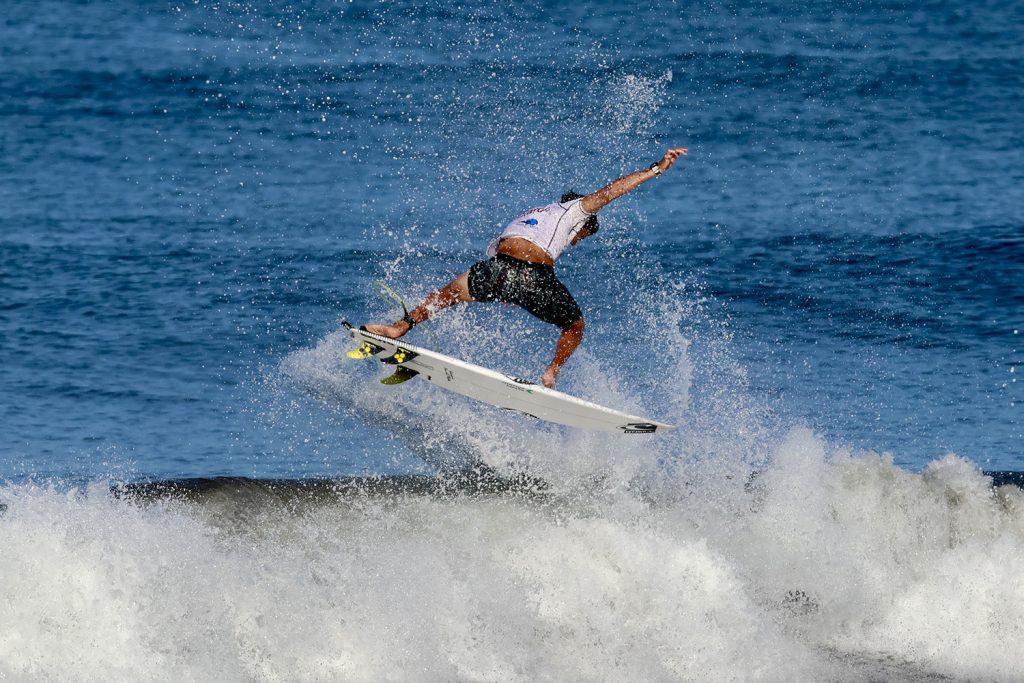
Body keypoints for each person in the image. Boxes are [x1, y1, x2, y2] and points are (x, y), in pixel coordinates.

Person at [366, 147, 688, 389]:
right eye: (582, 236)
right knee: (575, 326)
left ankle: (400, 327)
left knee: (448, 294)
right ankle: (551, 373)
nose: (576, 241)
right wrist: (655, 169)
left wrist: (507, 289)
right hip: (532, 275)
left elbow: (503, 252)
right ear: (584, 222)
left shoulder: (534, 213)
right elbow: (613, 191)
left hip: (498, 269)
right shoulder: (576, 210)